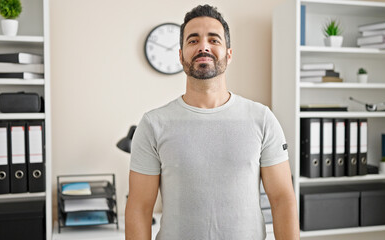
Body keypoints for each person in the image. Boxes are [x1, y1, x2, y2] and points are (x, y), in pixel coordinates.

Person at [125, 4, 299, 240]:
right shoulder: (153, 124)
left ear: (229, 53)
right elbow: (139, 208)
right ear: (180, 55)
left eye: (214, 40)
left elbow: (282, 200)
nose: (203, 46)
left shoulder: (262, 119)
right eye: (193, 40)